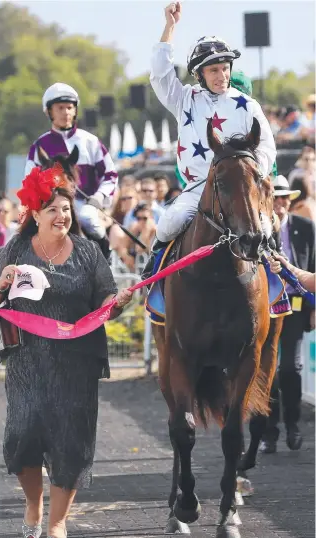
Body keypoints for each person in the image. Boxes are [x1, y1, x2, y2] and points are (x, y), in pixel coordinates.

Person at [0, 165, 133, 538]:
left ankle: (57, 523)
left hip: (75, 365)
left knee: (71, 442)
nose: (62, 216)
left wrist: (119, 301)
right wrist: (2, 280)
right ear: (35, 214)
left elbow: (107, 298)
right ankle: (34, 505)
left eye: (66, 210)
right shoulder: (16, 248)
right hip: (27, 362)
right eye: (53, 210)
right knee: (21, 437)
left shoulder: (87, 252)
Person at [144, 1, 276, 276]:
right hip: (198, 189)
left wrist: (252, 175)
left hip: (241, 189)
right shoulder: (186, 99)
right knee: (170, 222)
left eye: (225, 68)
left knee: (265, 229)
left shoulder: (248, 104)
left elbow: (266, 146)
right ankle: (154, 272)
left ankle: (280, 281)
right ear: (200, 74)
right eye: (213, 70)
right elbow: (159, 75)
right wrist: (170, 27)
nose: (222, 75)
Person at [25, 82, 118, 248]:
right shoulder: (39, 145)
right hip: (50, 205)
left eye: (69, 107)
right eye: (60, 108)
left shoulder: (91, 141)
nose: (65, 112)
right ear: (49, 112)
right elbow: (29, 180)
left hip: (86, 204)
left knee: (87, 218)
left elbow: (110, 174)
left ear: (75, 110)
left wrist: (99, 197)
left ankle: (105, 257)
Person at [260, 176, 315, 453]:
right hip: (265, 308)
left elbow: (313, 265)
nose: (281, 203)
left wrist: (314, 308)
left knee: (290, 369)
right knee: (266, 371)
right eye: (276, 197)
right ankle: (268, 432)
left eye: (285, 198)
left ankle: (292, 425)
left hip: (294, 307)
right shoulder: (255, 229)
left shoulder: (306, 227)